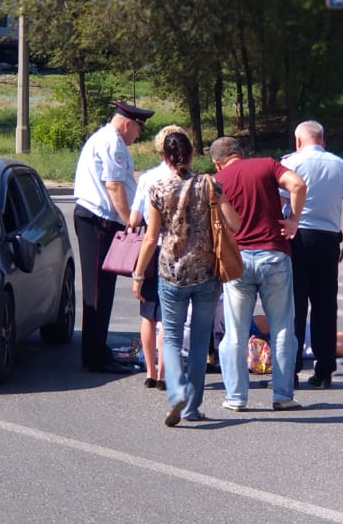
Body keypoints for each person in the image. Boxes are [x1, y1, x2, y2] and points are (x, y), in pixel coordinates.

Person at [131, 132, 239, 426]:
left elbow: (151, 237)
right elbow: (234, 222)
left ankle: (175, 390)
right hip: (206, 272)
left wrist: (139, 274)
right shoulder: (209, 184)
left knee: (173, 338)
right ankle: (192, 407)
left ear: (165, 157)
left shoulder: (157, 187)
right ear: (192, 155)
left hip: (170, 272)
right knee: (201, 339)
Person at [210, 136, 308, 412]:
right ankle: (282, 395)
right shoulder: (267, 165)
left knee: (235, 332)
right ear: (241, 152)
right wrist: (293, 220)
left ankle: (236, 397)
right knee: (282, 328)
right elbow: (298, 184)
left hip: (237, 258)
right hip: (274, 254)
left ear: (218, 162)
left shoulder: (218, 179)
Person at [73, 100, 153, 375]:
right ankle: (95, 356)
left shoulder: (109, 139)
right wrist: (128, 220)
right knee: (97, 290)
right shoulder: (112, 143)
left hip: (99, 221)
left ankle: (97, 351)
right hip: (98, 222)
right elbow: (114, 186)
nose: (138, 136)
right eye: (138, 130)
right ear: (128, 124)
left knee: (103, 289)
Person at [281, 121, 343, 389]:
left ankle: (289, 370)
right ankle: (325, 370)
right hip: (328, 240)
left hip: (296, 237)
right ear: (323, 140)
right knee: (325, 306)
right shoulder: (340, 165)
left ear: (298, 141)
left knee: (293, 307)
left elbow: (279, 200)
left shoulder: (290, 163)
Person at [128, 125, 189, 390]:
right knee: (169, 318)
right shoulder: (193, 180)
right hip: (181, 252)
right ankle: (165, 374)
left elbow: (134, 219)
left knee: (147, 314)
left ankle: (150, 372)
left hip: (153, 251)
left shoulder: (149, 178)